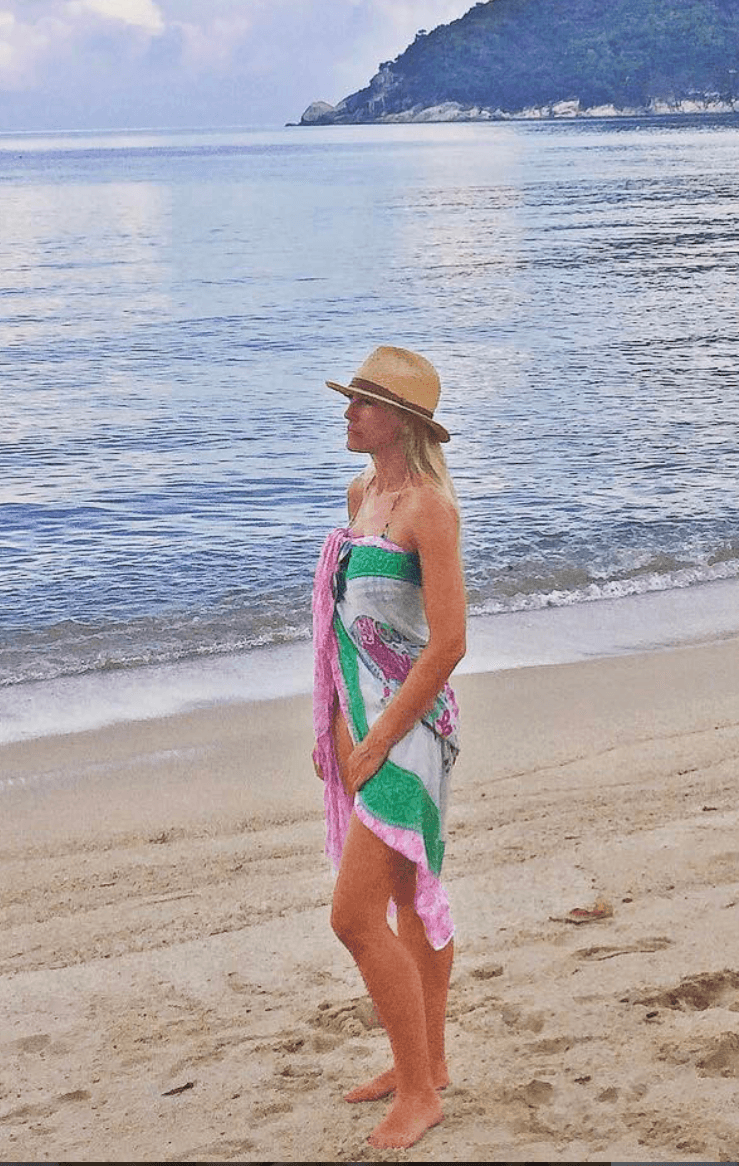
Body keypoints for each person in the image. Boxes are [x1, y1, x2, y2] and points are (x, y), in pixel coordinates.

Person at [311, 345, 466, 1150]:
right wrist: (337, 727)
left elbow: (448, 644)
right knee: (406, 900)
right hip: (364, 721)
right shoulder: (361, 494)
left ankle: (417, 1094)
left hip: (411, 731)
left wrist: (378, 741)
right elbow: (348, 627)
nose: (348, 413)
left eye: (362, 403)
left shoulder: (428, 510)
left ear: (400, 422)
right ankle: (427, 1065)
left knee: (353, 917)